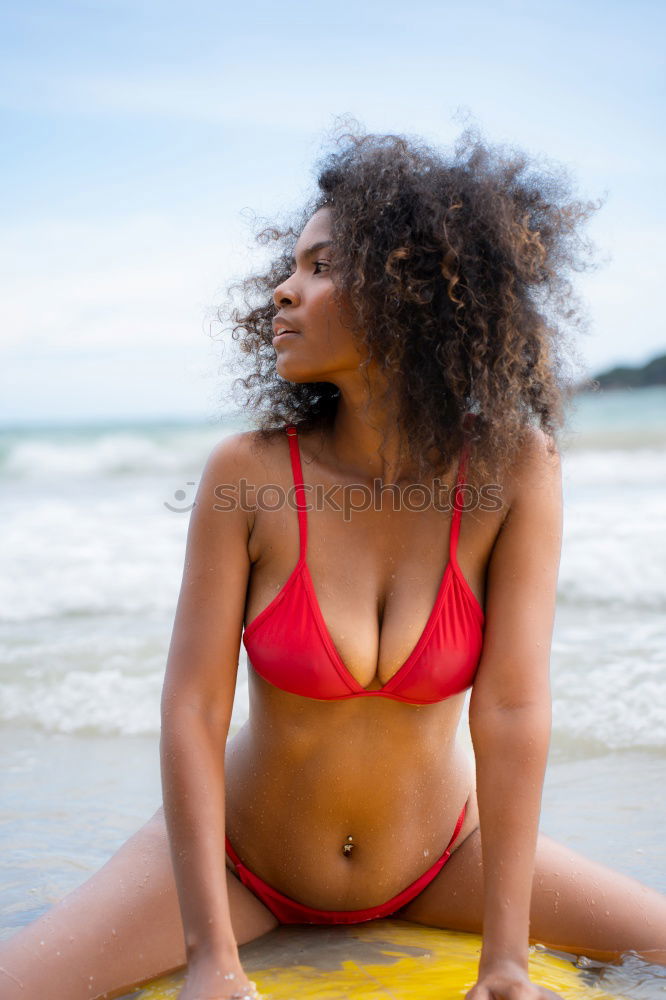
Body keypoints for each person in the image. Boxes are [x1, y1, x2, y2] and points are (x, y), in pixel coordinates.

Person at [1, 127, 665, 1000]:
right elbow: (195, 708)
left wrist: (505, 961)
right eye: (290, 265)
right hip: (244, 866)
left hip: (444, 860)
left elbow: (510, 709)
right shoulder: (248, 472)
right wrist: (212, 961)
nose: (282, 289)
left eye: (320, 267)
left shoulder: (514, 470)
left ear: (411, 290)